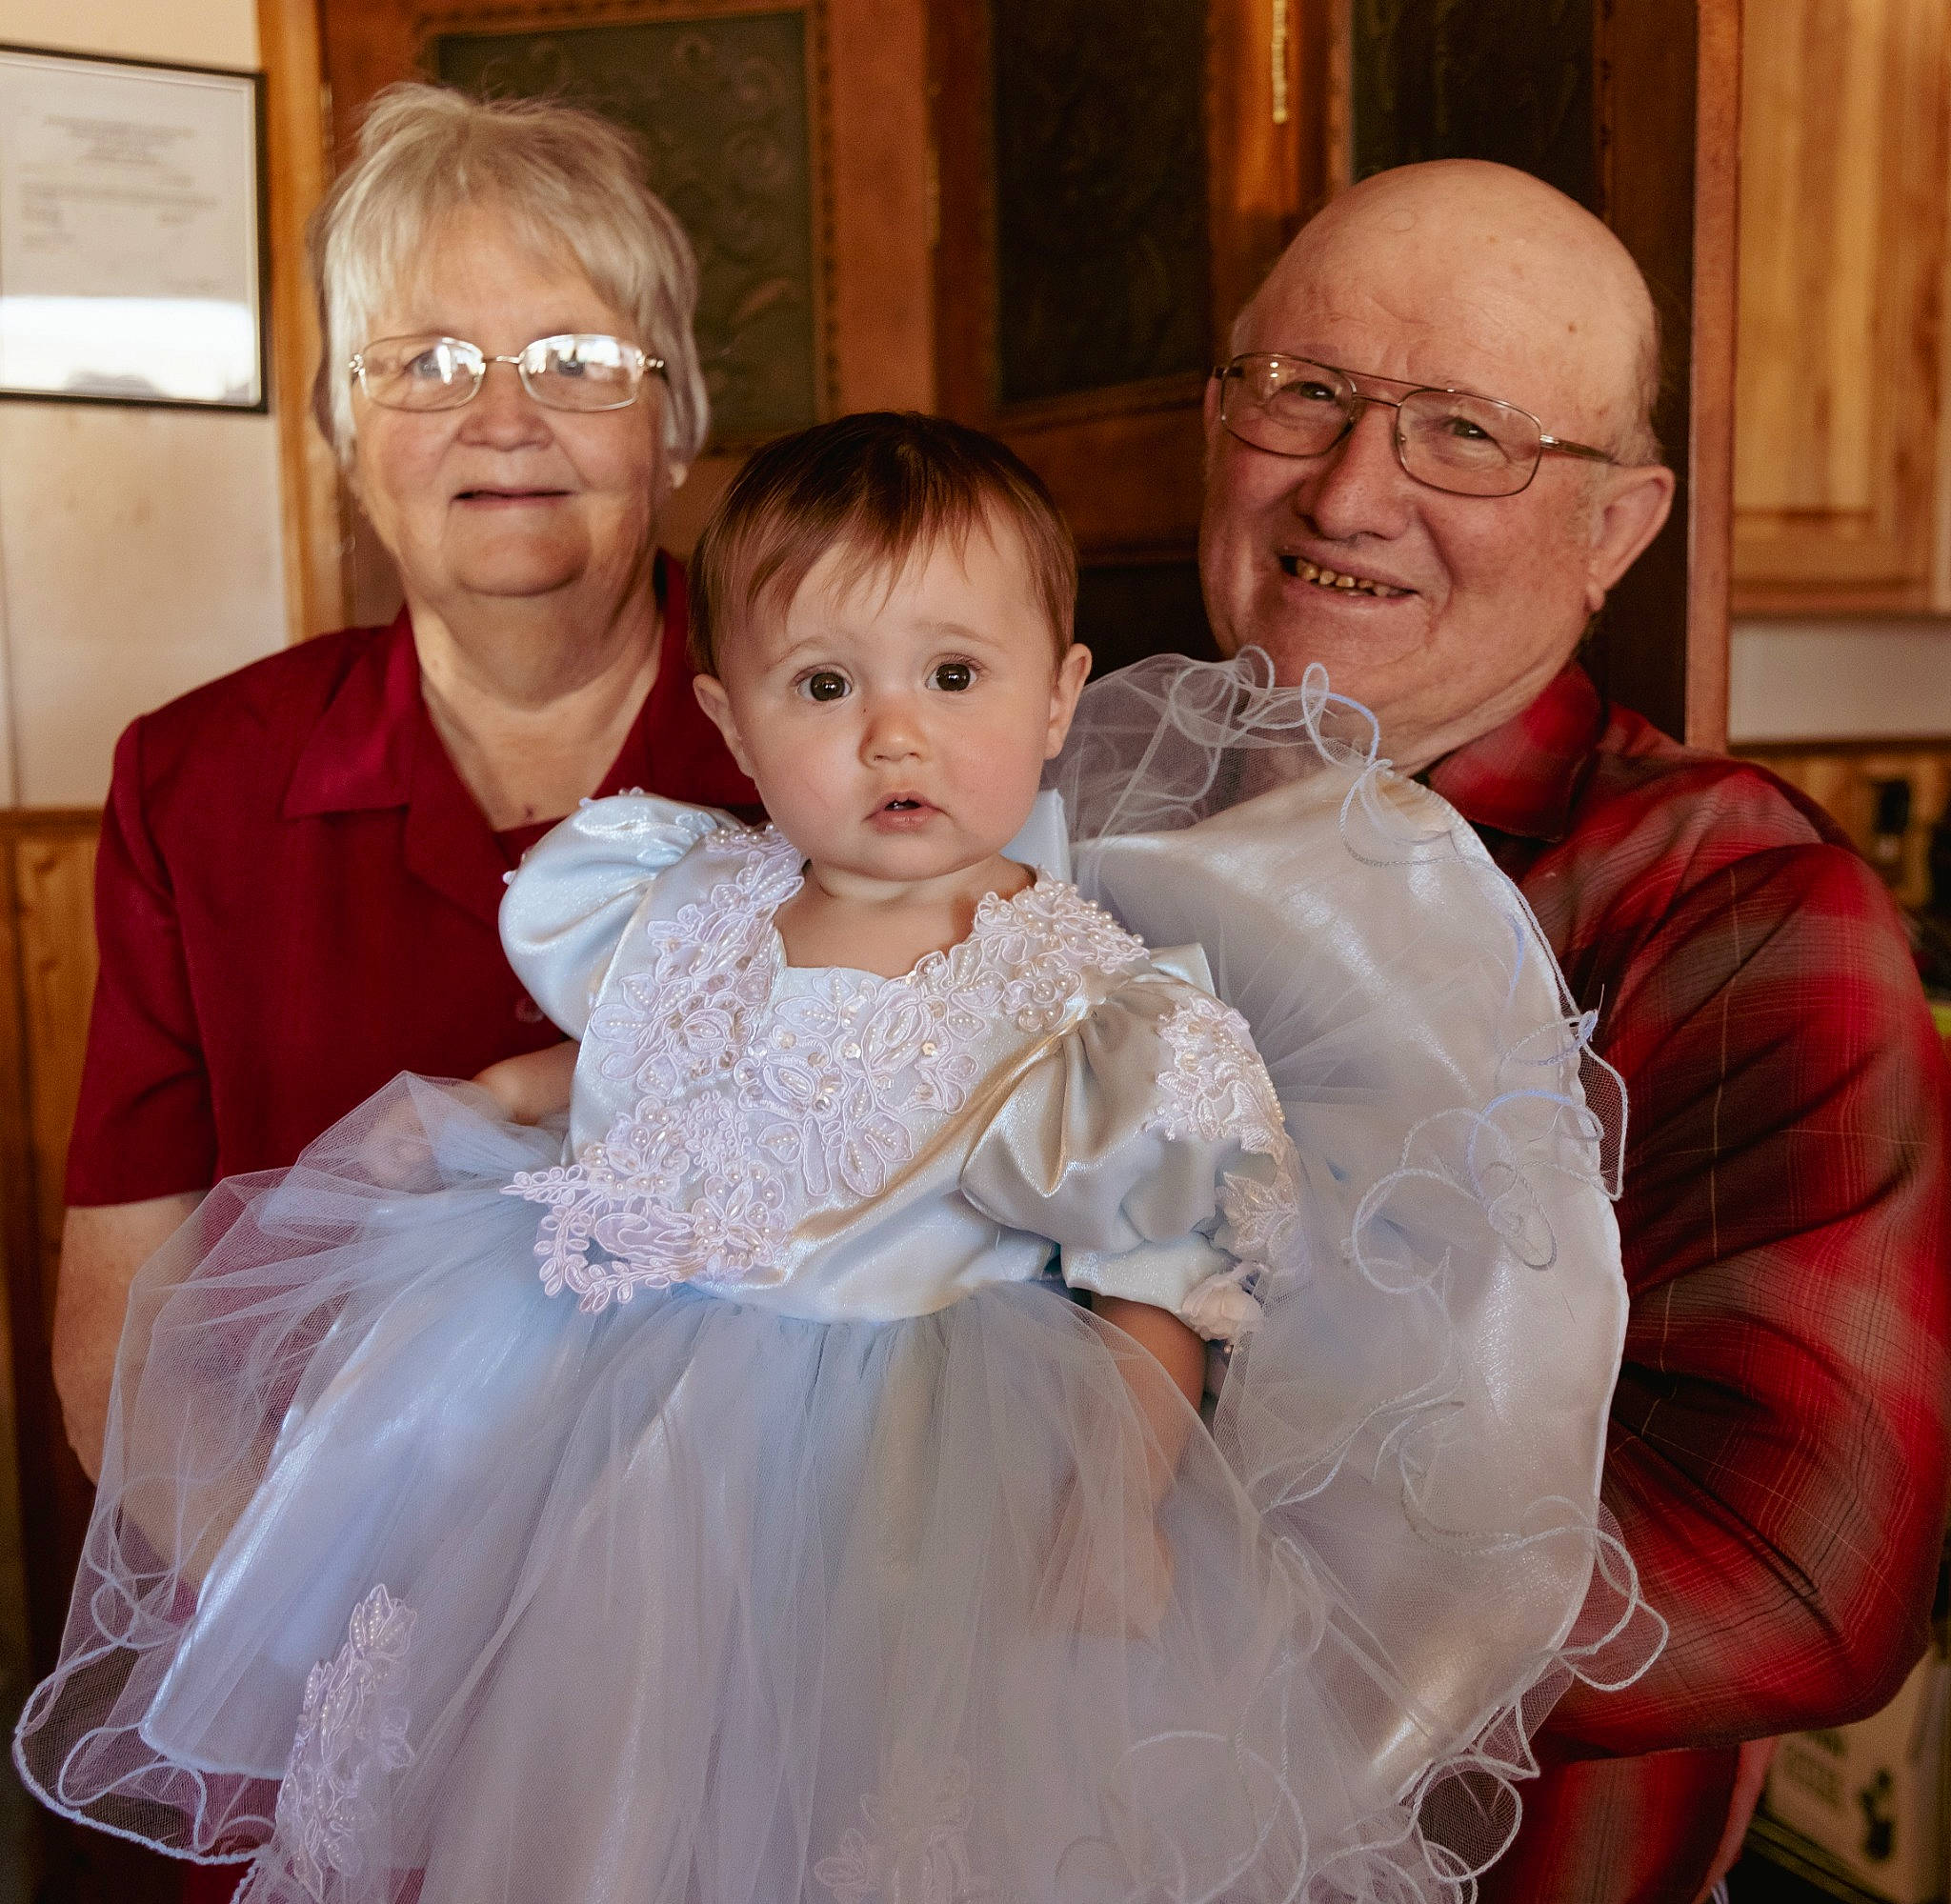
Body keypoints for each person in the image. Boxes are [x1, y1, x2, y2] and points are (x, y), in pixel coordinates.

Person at [17, 413, 1651, 1902]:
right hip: (597, 1438)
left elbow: (1164, 1269)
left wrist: (1121, 1493)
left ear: (1059, 696)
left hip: (897, 1475)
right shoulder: (676, 896)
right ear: (728, 720)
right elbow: (657, 1059)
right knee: (590, 1786)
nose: (894, 740)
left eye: (955, 678)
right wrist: (496, 1102)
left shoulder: (1074, 996)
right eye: (826, 687)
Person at [1198, 156, 1951, 1903]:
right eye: (1300, 392)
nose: (1350, 491)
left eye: (1467, 432)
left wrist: (1126, 1619)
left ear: (1615, 529)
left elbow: (1799, 1572)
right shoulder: (1037, 800)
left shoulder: (1740, 905)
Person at [52, 83, 754, 1499]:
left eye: (574, 358)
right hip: (312, 1616)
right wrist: (327, 1670)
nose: (502, 418)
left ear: (674, 425)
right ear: (343, 437)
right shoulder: (192, 785)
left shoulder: (856, 754)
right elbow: (127, 1336)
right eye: (425, 363)